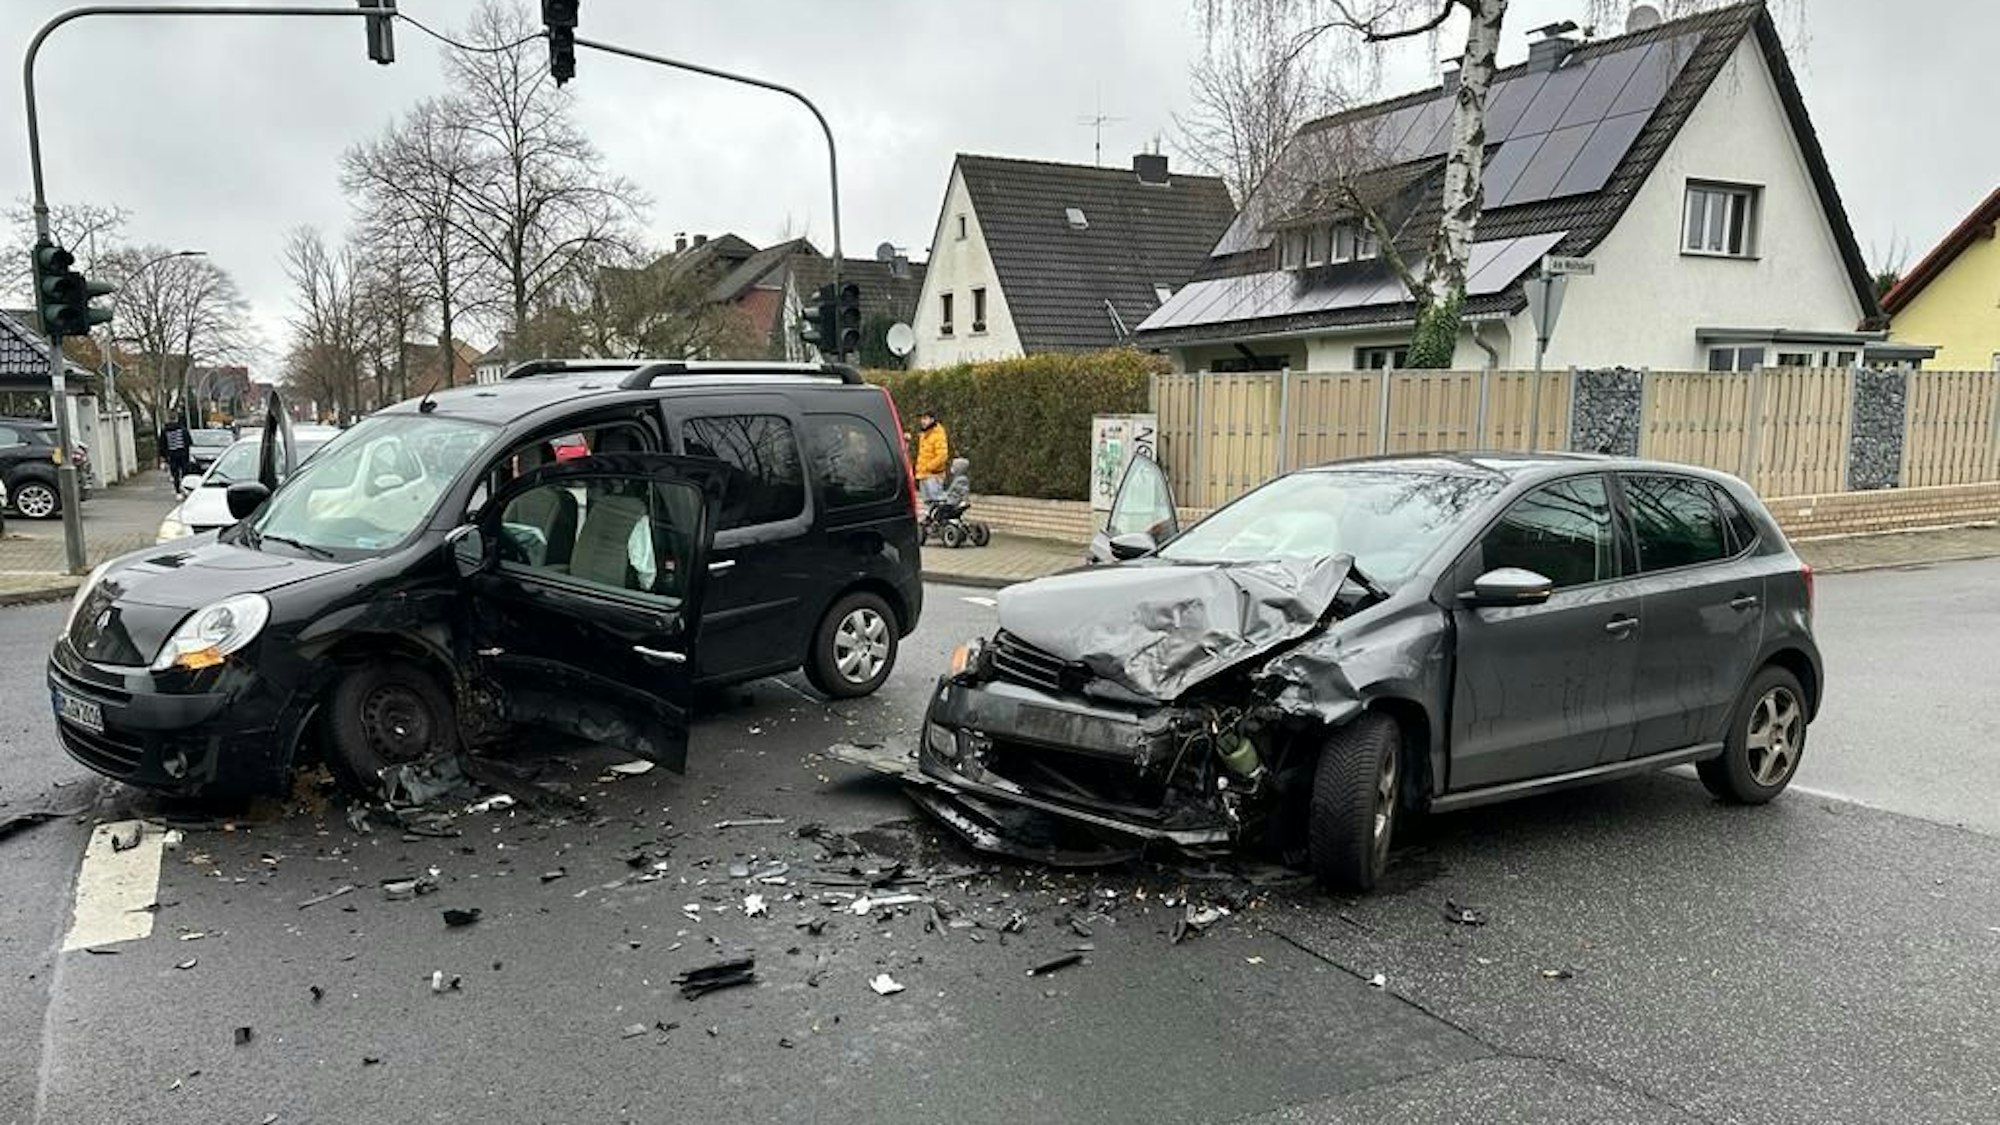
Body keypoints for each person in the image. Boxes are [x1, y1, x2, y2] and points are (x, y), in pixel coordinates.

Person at [913, 410, 950, 504]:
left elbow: (942, 455)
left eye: (925, 418)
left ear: (932, 420)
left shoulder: (938, 434)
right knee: (928, 502)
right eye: (921, 418)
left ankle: (939, 517)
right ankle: (931, 517)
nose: (922, 421)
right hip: (923, 474)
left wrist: (928, 467)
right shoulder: (924, 434)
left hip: (933, 475)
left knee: (937, 501)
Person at [160, 417, 192, 497]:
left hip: (172, 455)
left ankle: (178, 491)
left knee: (175, 474)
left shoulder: (165, 431)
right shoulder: (182, 429)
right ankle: (185, 488)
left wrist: (164, 457)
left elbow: (162, 444)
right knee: (185, 472)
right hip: (183, 454)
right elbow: (188, 441)